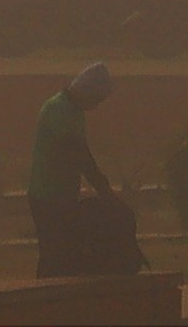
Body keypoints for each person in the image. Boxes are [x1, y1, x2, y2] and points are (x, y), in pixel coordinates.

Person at [28, 61, 142, 280]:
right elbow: (79, 155)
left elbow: (82, 153)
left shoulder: (75, 112)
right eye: (96, 100)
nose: (96, 106)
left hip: (64, 195)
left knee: (65, 254)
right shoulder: (58, 110)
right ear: (86, 92)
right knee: (54, 255)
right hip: (46, 195)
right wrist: (104, 189)